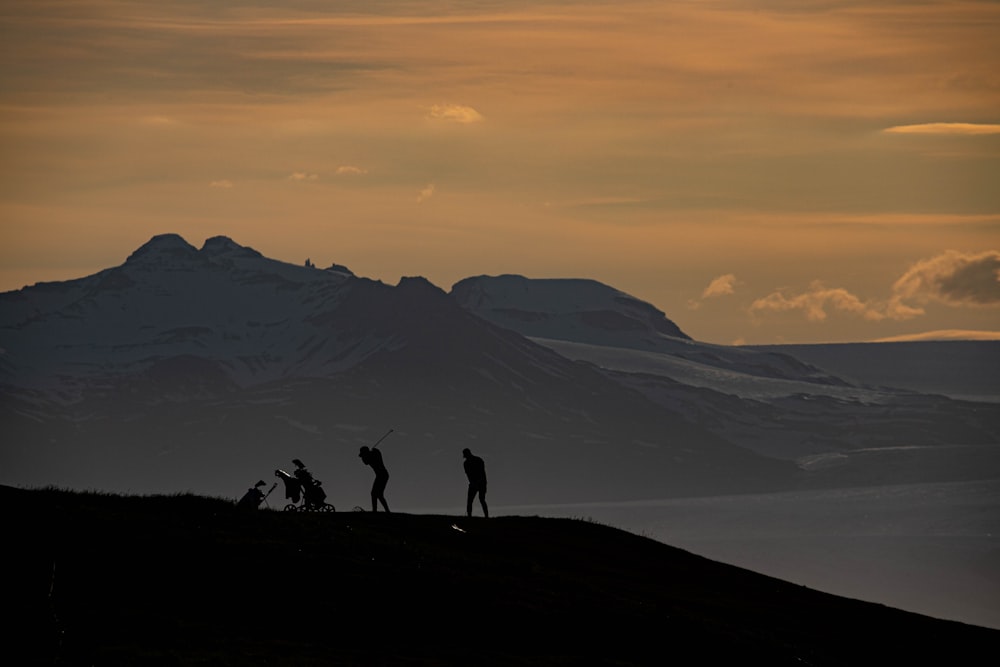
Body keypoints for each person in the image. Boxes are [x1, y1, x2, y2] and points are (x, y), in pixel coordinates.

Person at [358, 446, 391, 512]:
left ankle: (376, 510)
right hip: (381, 475)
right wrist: (375, 451)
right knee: (378, 494)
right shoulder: (373, 455)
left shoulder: (372, 455)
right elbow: (366, 462)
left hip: (382, 475)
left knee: (375, 493)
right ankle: (384, 510)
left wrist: (375, 451)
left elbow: (368, 460)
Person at [463, 448, 488, 518]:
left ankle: (486, 516)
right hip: (476, 483)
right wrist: (473, 482)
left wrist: (477, 482)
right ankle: (470, 516)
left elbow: (481, 472)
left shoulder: (477, 460)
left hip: (481, 483)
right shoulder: (467, 463)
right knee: (471, 500)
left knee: (481, 499)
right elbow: (468, 475)